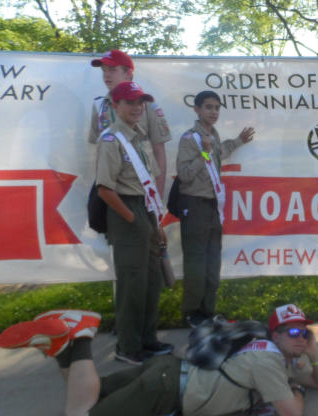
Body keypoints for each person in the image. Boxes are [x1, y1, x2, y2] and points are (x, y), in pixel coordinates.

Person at [0, 304, 318, 416]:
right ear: (275, 335)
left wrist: (314, 352)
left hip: (168, 371)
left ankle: (62, 348)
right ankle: (82, 337)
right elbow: (291, 414)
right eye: (293, 331)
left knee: (88, 393)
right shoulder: (269, 361)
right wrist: (297, 390)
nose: (300, 337)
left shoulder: (266, 350)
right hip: (166, 393)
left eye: (305, 332)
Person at [95, 81, 170, 364]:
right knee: (132, 284)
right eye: (130, 102)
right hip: (126, 211)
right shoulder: (111, 140)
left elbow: (148, 182)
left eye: (140, 102)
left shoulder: (139, 137)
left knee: (151, 281)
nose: (137, 108)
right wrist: (133, 219)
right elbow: (105, 189)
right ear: (116, 106)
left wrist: (156, 223)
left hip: (146, 209)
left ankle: (147, 339)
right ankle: (128, 347)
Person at [176, 90, 255, 327]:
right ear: (197, 109)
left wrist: (238, 141)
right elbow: (185, 174)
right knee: (196, 263)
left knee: (212, 262)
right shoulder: (190, 138)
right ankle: (192, 313)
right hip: (195, 204)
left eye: (217, 108)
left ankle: (208, 310)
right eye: (208, 107)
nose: (213, 112)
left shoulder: (213, 134)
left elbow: (219, 154)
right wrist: (204, 153)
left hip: (213, 205)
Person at [90, 49, 171, 192]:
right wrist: (101, 190)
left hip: (139, 189)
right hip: (109, 190)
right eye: (104, 70)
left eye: (112, 69)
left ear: (128, 73)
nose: (106, 75)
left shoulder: (148, 106)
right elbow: (98, 152)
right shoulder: (99, 105)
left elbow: (159, 151)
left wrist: (158, 194)